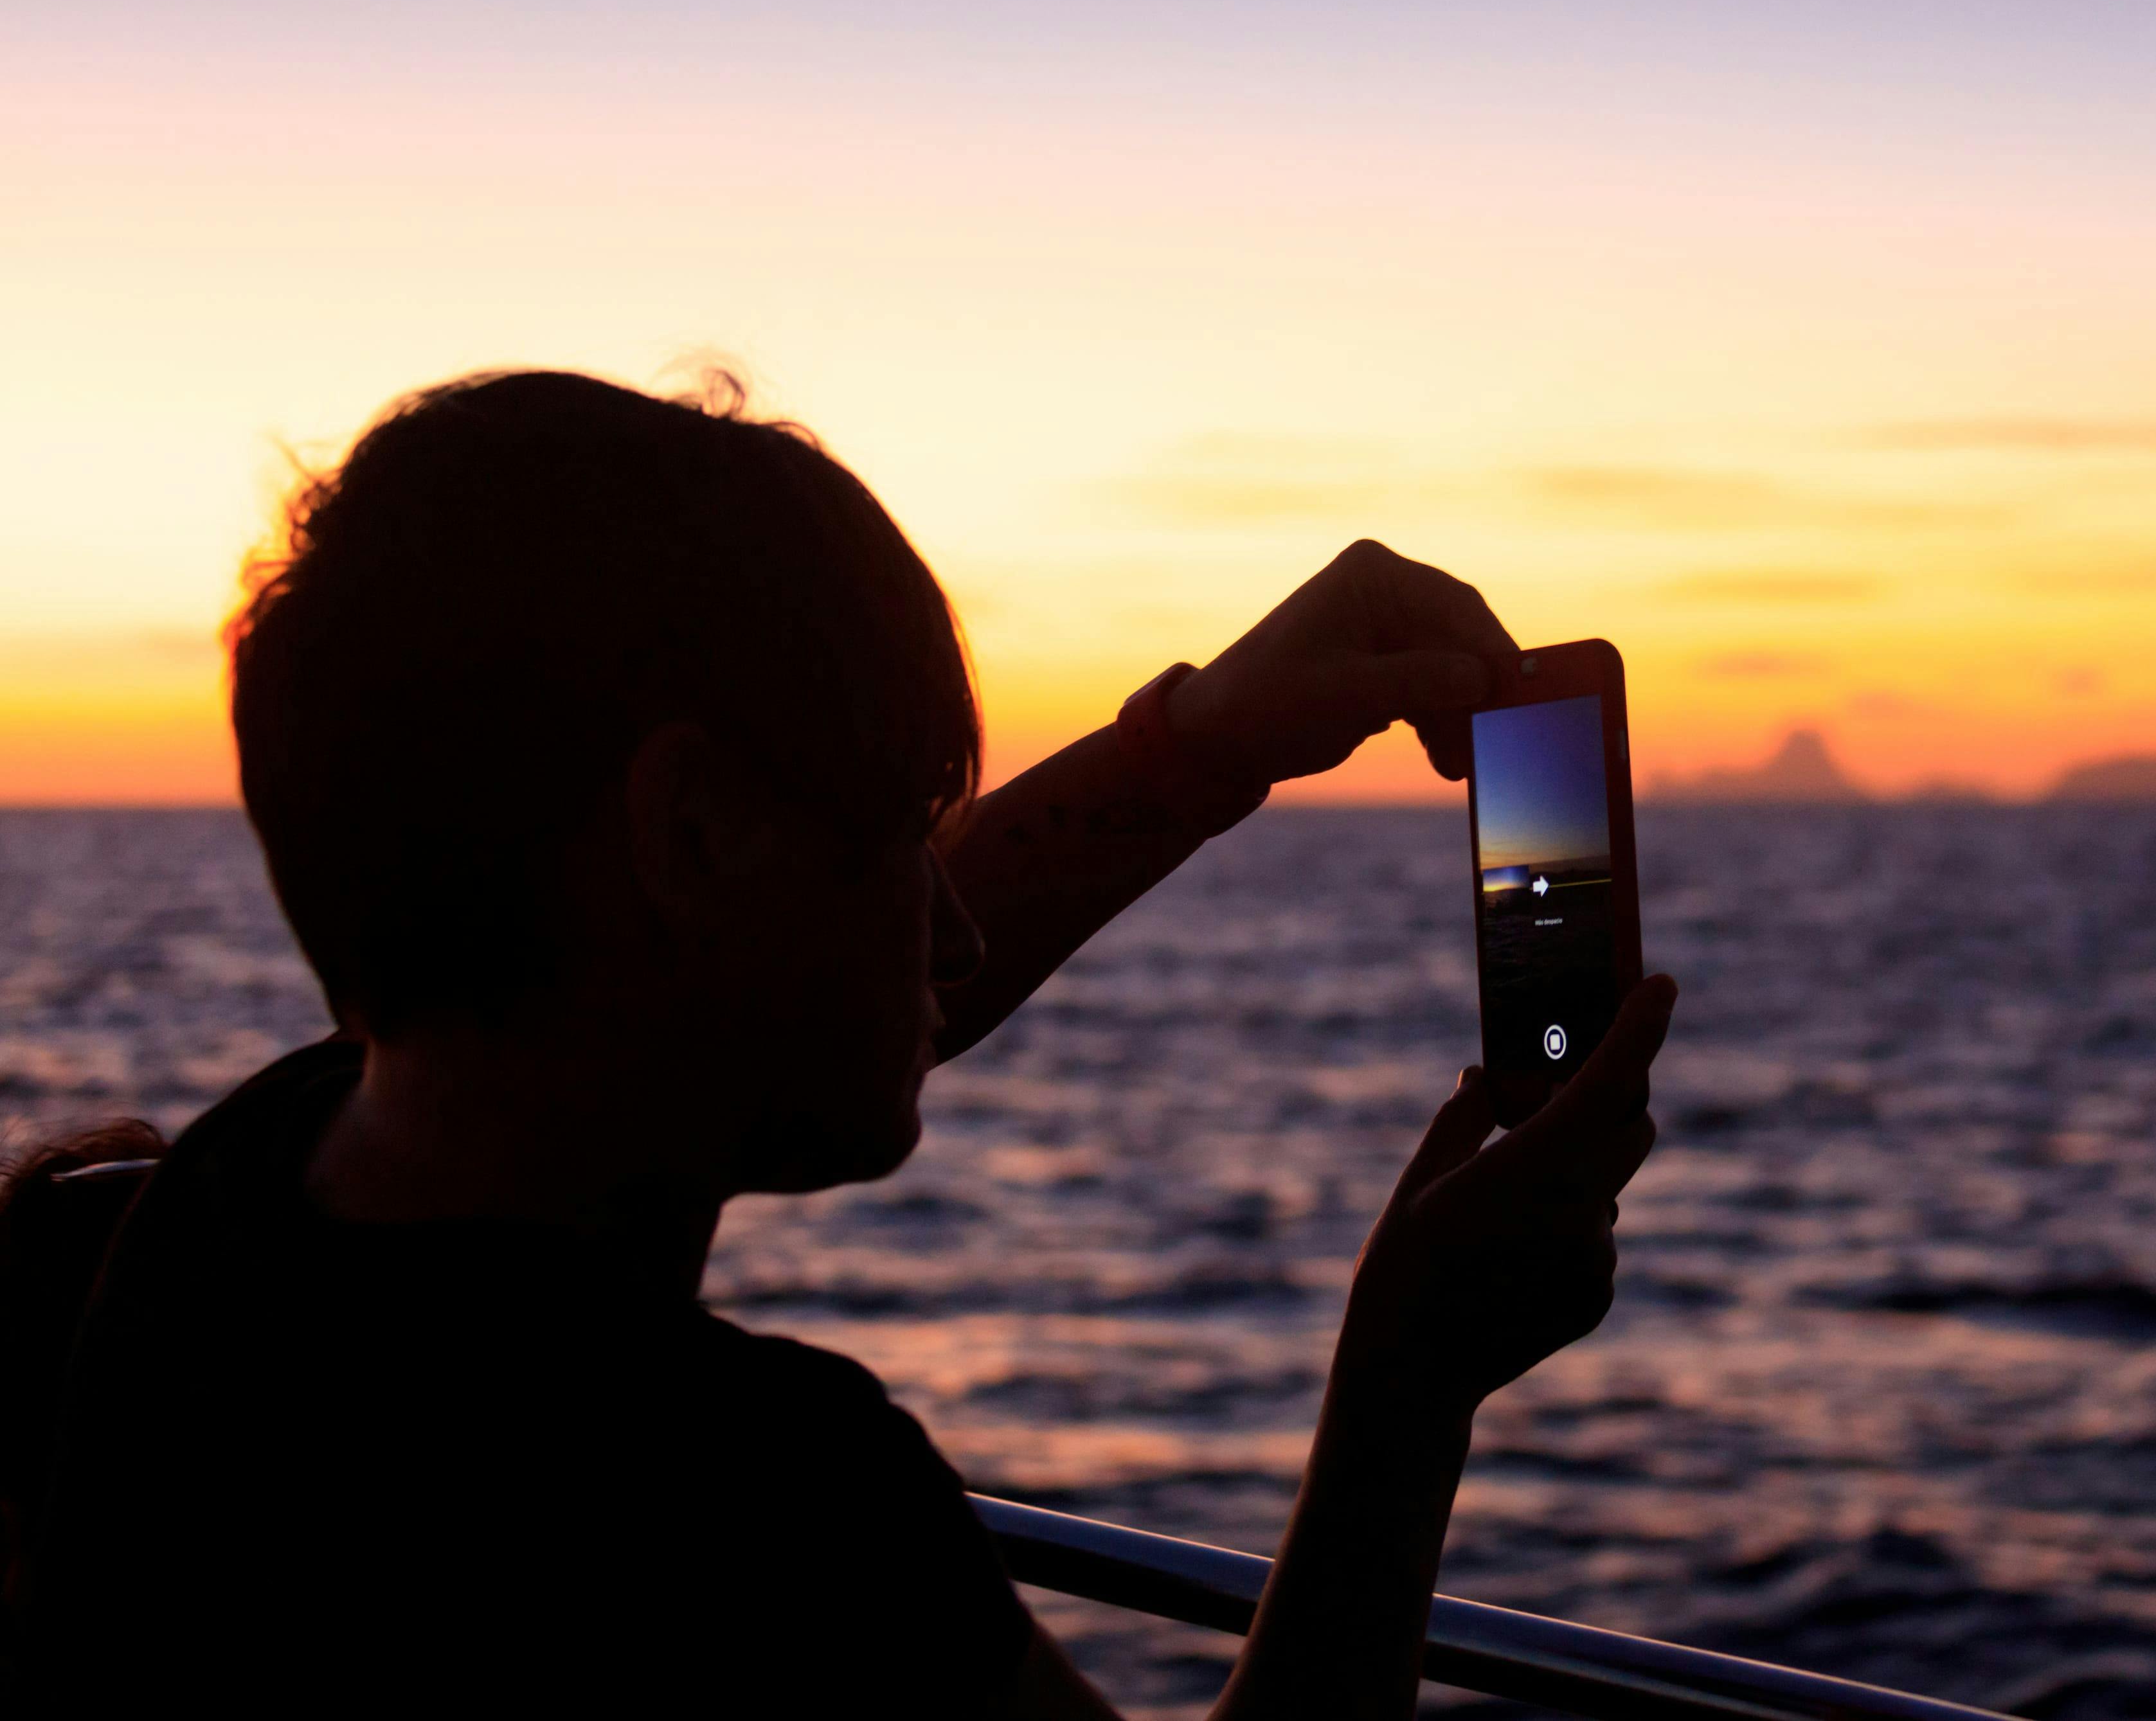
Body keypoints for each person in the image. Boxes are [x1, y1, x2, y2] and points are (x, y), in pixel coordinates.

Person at [6, 369, 1672, 1717]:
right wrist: (1408, 1387)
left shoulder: (192, 1222)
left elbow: (728, 1011)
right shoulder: (749, 1515)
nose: (946, 936)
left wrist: (1196, 753)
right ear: (691, 836)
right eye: (894, 839)